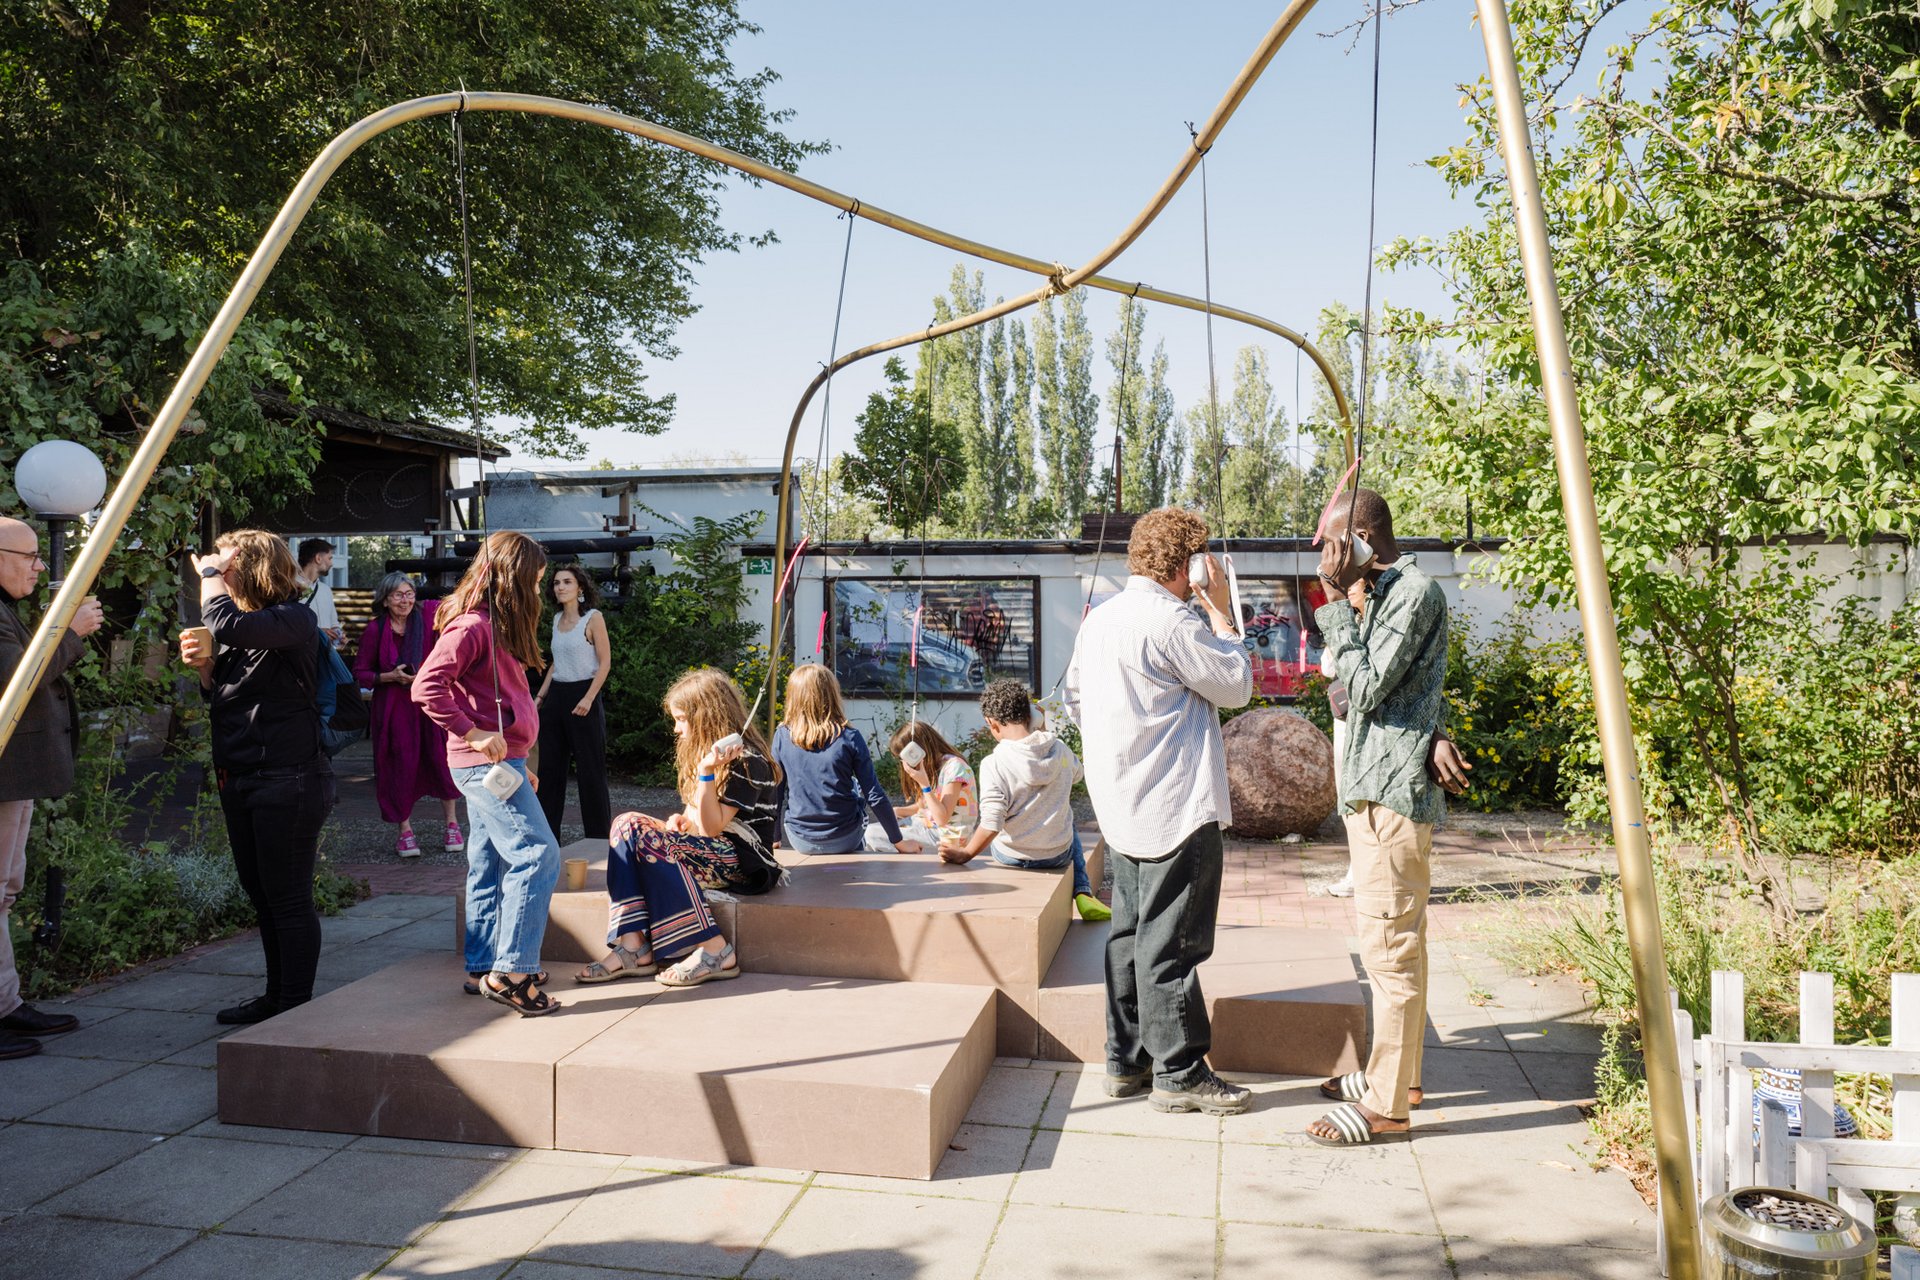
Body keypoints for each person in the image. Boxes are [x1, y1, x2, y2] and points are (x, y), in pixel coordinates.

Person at [1063, 506, 1253, 1116]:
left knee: (1129, 934)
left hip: (1121, 803)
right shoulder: (1174, 622)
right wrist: (1222, 611)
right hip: (1176, 803)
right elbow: (1236, 686)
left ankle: (1127, 1062)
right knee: (1172, 941)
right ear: (1190, 565)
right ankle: (1180, 1072)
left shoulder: (1101, 620)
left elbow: (1071, 699)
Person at [1305, 489, 1470, 1147]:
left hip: (1393, 800)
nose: (1326, 556)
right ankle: (1398, 1078)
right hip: (1378, 789)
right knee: (1396, 947)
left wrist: (1332, 607)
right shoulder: (1381, 594)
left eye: (1334, 543)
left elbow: (1368, 689)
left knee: (1390, 951)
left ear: (1365, 536)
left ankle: (1387, 1108)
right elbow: (1363, 697)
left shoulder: (1412, 592)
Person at [180, 529, 336, 1025]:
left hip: (289, 778)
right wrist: (206, 671)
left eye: (226, 567)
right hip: (243, 774)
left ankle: (293, 1005)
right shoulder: (248, 628)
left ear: (252, 569)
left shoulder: (294, 618)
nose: (217, 575)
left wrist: (207, 576)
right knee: (260, 891)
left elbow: (229, 623)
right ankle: (277, 996)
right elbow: (227, 697)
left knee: (287, 895)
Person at [411, 531, 562, 1017]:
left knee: (490, 861)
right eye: (535, 583)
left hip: (499, 765)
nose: (538, 592)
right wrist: (473, 733)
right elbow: (427, 686)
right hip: (482, 763)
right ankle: (513, 974)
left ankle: (482, 968)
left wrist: (515, 761)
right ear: (514, 580)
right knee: (538, 855)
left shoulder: (494, 627)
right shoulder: (474, 626)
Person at [574, 668, 781, 988]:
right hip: (713, 850)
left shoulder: (748, 759)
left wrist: (706, 772)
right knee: (625, 823)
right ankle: (633, 946)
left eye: (681, 719)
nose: (676, 728)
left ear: (706, 717)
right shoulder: (705, 753)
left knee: (652, 841)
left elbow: (713, 828)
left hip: (744, 859)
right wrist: (682, 822)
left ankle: (715, 949)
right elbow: (697, 819)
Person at [0, 517, 105, 1058]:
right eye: (29, 556)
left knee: (5, 889)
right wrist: (69, 635)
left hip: (12, 774)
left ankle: (7, 1005)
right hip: (3, 772)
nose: (40, 566)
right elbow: (15, 679)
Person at [936, 681, 1111, 923]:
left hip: (1012, 856)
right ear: (1029, 714)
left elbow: (992, 823)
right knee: (1067, 817)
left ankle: (1083, 891)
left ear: (992, 723)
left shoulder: (993, 763)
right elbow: (1078, 774)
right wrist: (1046, 731)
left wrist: (965, 854)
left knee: (1052, 817)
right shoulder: (1059, 749)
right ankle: (1082, 891)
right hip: (1056, 854)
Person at [354, 573, 462, 858]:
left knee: (441, 760)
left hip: (429, 701)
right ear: (385, 599)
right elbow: (361, 673)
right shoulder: (376, 630)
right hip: (394, 706)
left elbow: (457, 609)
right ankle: (405, 831)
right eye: (398, 595)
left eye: (410, 593)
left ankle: (452, 824)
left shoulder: (428, 616)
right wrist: (390, 676)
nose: (406, 600)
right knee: (400, 765)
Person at [772, 664, 921, 855]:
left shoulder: (782, 736)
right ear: (833, 694)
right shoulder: (849, 736)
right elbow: (874, 794)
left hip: (800, 838)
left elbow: (776, 791)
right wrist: (899, 842)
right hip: (845, 838)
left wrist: (774, 837)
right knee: (855, 787)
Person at [534, 564, 612, 842]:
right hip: (556, 698)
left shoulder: (593, 618)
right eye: (556, 583)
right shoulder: (555, 620)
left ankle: (599, 839)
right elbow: (556, 664)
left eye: (567, 582)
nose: (561, 587)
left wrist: (589, 698)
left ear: (580, 588)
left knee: (591, 772)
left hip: (584, 696)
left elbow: (605, 663)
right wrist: (540, 697)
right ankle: (546, 839)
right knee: (550, 771)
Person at [865, 720, 977, 853]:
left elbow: (942, 818)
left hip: (945, 836)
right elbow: (924, 806)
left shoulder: (954, 767)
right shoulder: (935, 765)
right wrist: (898, 811)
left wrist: (924, 784)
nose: (904, 762)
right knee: (874, 830)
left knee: (871, 834)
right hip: (925, 825)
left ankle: (909, 859)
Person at [295, 538, 345, 650]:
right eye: (330, 558)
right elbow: (288, 626)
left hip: (325, 655)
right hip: (302, 658)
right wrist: (318, 633)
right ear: (318, 558)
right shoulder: (291, 589)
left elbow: (334, 623)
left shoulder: (326, 590)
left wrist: (338, 635)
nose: (331, 563)